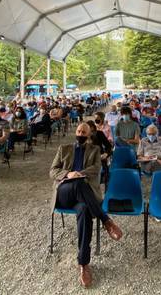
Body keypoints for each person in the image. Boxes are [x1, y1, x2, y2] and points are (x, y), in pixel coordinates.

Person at [49, 123, 123, 288]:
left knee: (84, 211)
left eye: (84, 132)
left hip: (84, 197)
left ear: (89, 135)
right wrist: (69, 174)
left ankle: (83, 263)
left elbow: (96, 169)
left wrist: (79, 174)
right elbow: (53, 171)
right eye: (79, 131)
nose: (80, 133)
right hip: (64, 192)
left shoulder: (95, 150)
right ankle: (106, 221)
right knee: (78, 184)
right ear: (76, 132)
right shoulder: (64, 148)